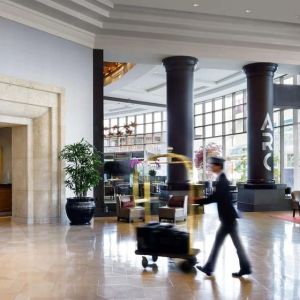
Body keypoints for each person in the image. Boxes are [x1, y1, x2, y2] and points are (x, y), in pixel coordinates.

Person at [197, 157, 251, 277]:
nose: (211, 167)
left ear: (218, 166)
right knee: (224, 243)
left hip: (228, 219)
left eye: (213, 165)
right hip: (228, 219)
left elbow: (214, 197)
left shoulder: (222, 180)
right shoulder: (221, 179)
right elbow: (218, 197)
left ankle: (211, 268)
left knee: (231, 244)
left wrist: (198, 200)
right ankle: (244, 267)